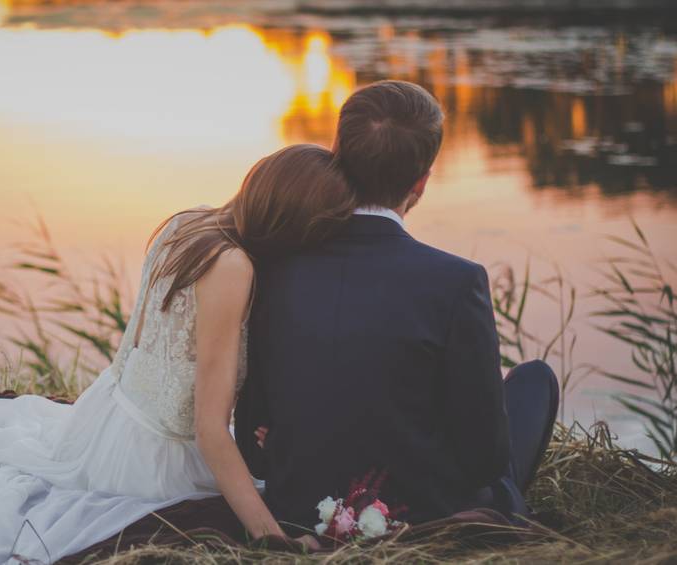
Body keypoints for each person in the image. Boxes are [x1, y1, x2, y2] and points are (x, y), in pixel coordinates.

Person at [0, 144, 357, 563]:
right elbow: (206, 427)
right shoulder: (232, 268)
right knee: (262, 496)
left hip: (108, 413)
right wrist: (268, 537)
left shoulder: (191, 223)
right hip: (152, 457)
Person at [234, 80, 560, 532]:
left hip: (299, 507)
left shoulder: (273, 269)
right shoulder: (457, 281)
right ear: (422, 181)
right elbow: (485, 459)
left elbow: (252, 444)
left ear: (338, 158)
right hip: (419, 511)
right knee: (534, 382)